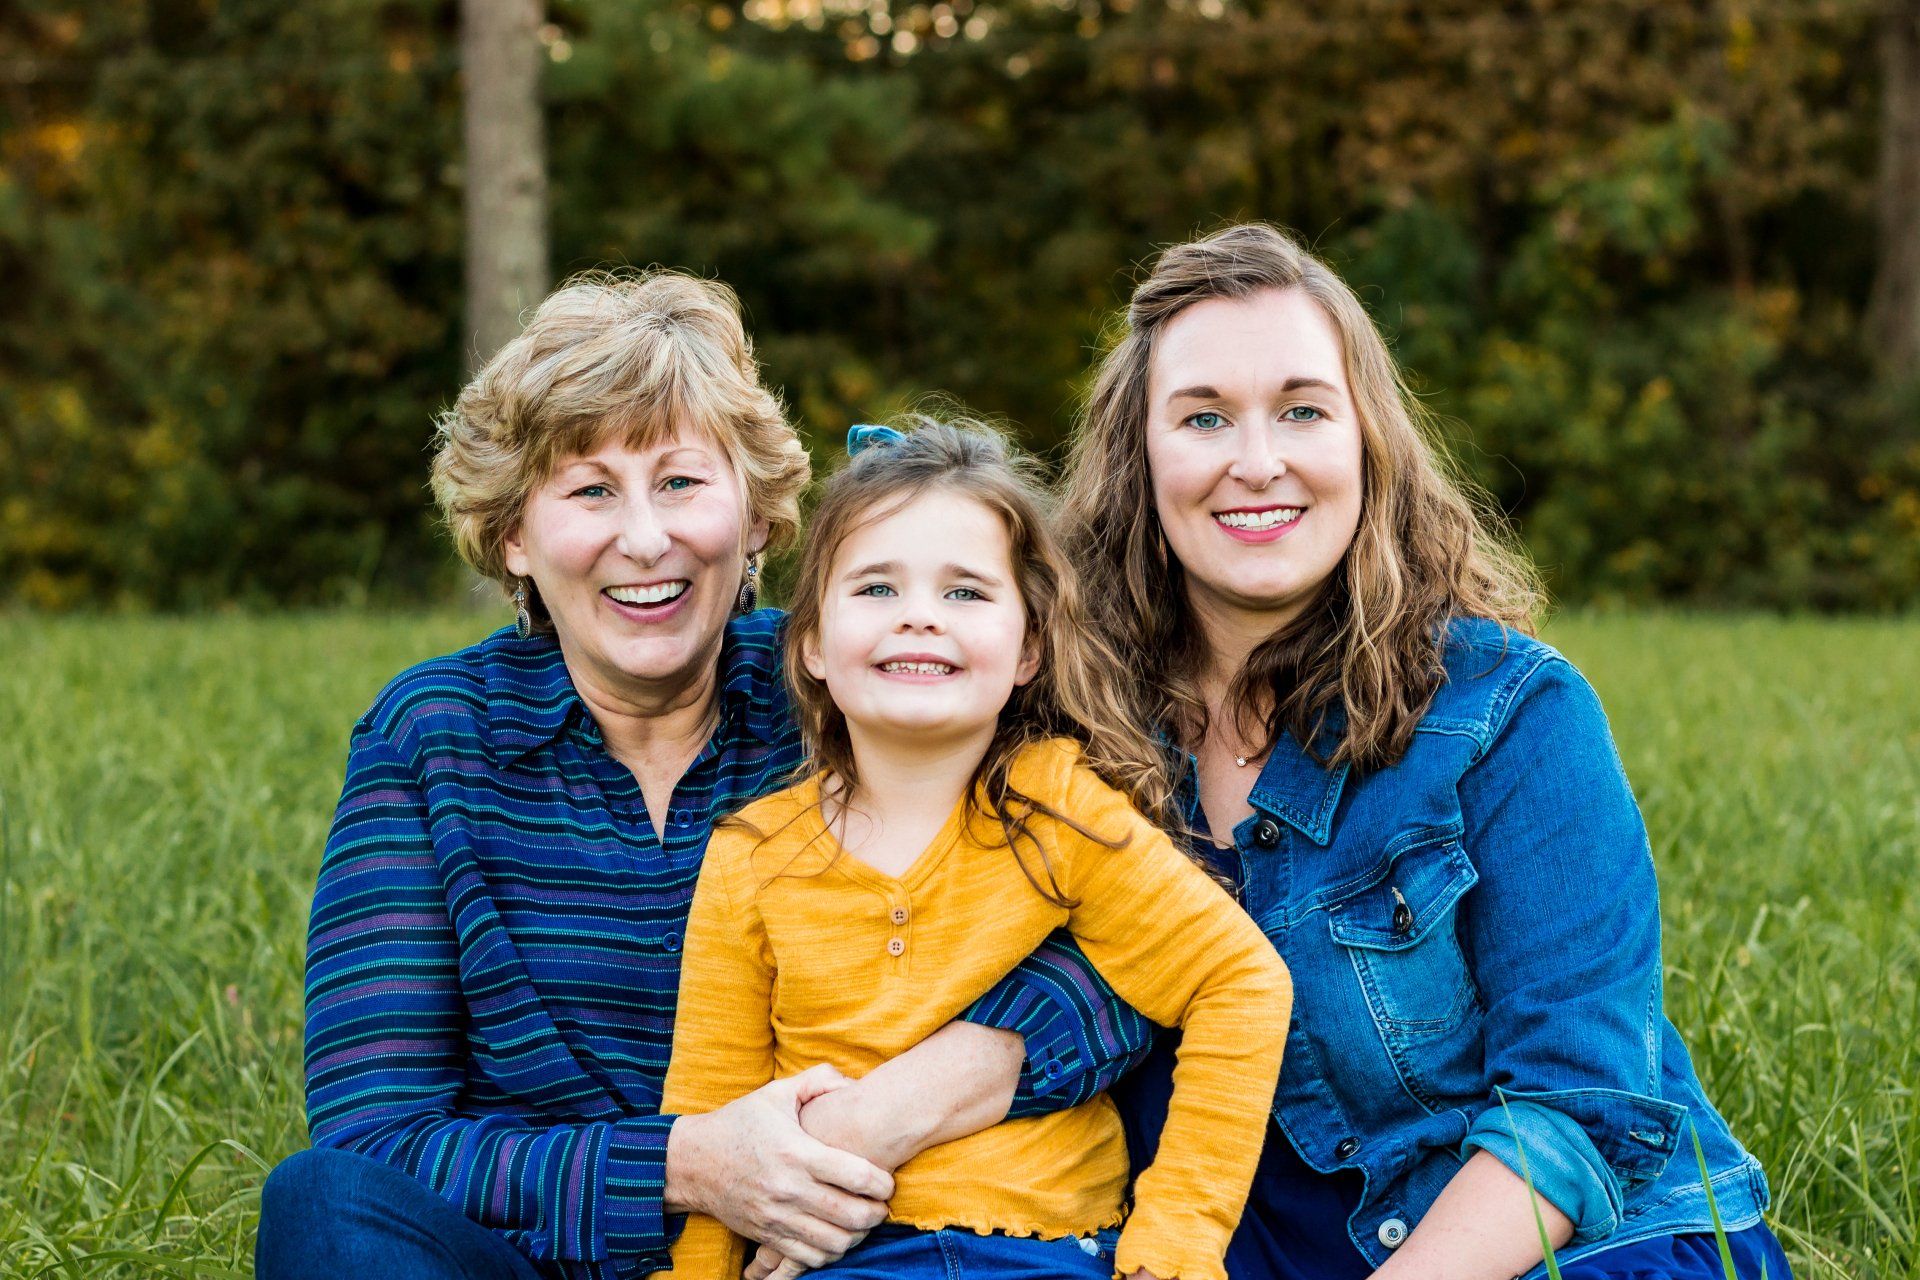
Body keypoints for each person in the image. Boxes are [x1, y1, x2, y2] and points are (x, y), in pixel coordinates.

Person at [254, 273, 1154, 1280]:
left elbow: (1141, 938)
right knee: (323, 1202)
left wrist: (897, 1106)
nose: (646, 538)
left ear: (759, 515)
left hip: (837, 1254)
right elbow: (379, 1134)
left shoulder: (858, 688)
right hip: (532, 1262)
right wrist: (689, 1166)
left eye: (681, 482)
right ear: (515, 534)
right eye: (590, 489)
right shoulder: (434, 736)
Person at [1061, 223, 1792, 1279]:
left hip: (1551, 1243)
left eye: (1303, 409)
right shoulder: (1069, 723)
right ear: (1140, 453)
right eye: (1204, 416)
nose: (1256, 461)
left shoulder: (1509, 713)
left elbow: (1577, 1112)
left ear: (1367, 439)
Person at [657, 419, 1291, 1280]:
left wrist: (1177, 1239)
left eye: (965, 593)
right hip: (842, 1261)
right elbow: (711, 1112)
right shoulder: (752, 856)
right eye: (877, 588)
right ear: (809, 645)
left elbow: (1238, 982)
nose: (920, 616)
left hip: (1049, 1256)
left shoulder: (1059, 808)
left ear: (1029, 648)